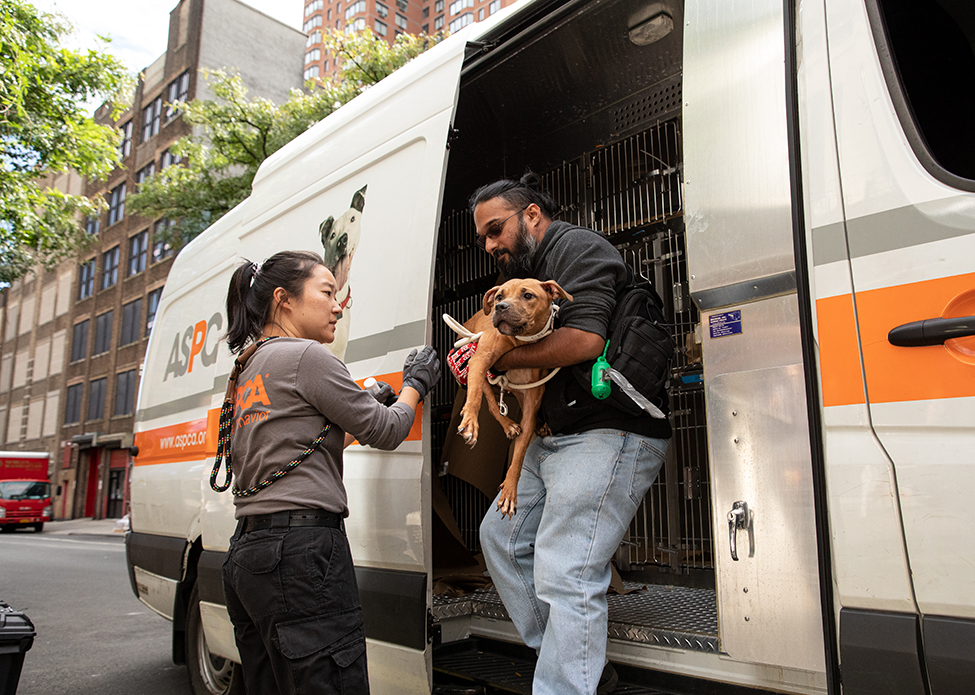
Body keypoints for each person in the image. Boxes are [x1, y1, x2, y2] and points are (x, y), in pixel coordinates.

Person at [469, 175, 672, 695]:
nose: (491, 246)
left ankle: (565, 681)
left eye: (497, 230)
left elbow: (584, 341)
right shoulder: (527, 280)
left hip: (610, 430)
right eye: (484, 239)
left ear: (532, 215)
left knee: (566, 569)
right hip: (554, 436)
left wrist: (498, 356)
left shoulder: (577, 248)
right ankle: (575, 666)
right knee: (502, 539)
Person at [218, 250, 440, 695]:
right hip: (302, 555)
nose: (338, 305)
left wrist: (359, 407)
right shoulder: (306, 357)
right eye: (327, 292)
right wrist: (415, 383)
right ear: (284, 300)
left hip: (248, 553)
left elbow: (294, 445)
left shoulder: (246, 367)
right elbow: (388, 429)